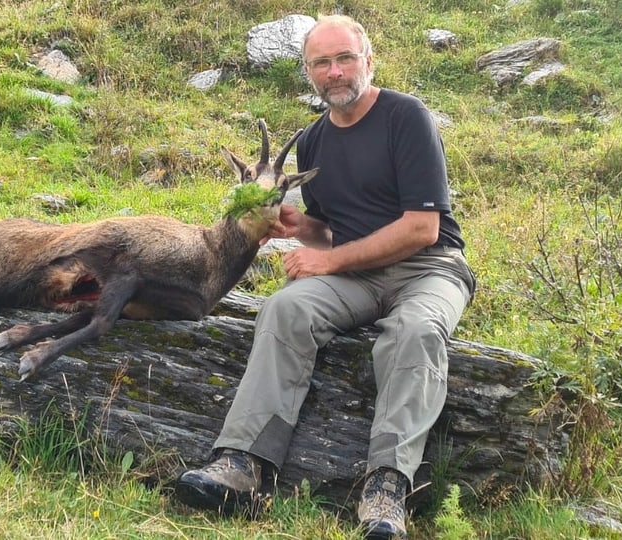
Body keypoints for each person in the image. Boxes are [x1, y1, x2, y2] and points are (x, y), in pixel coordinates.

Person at [174, 14, 476, 539]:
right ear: (308, 72)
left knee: (416, 332)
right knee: (285, 308)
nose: (334, 72)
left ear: (368, 60)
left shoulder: (406, 117)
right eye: (321, 63)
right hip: (357, 274)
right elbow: (340, 231)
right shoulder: (313, 142)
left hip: (430, 268)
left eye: (344, 59)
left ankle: (386, 488)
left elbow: (422, 228)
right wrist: (302, 227)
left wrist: (329, 260)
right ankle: (244, 466)